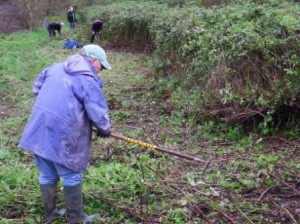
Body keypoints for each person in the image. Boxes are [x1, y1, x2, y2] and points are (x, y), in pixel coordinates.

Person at [18, 44, 112, 223]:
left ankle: (51, 213)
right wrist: (104, 129)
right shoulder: (87, 80)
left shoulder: (54, 67)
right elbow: (98, 112)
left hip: (38, 127)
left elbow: (36, 89)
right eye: (102, 65)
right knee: (71, 174)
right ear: (93, 60)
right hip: (63, 133)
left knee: (47, 174)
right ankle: (76, 218)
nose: (102, 70)